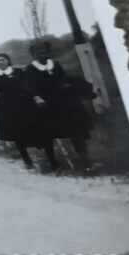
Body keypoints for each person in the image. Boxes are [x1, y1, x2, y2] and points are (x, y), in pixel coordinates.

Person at [22, 42, 94, 173]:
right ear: (33, 55)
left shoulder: (56, 65)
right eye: (38, 52)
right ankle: (53, 162)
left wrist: (67, 86)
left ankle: (84, 159)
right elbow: (29, 87)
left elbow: (63, 79)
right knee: (47, 132)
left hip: (62, 102)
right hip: (45, 103)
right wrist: (37, 97)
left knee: (76, 128)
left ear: (48, 52)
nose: (42, 54)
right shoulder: (30, 69)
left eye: (44, 51)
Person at [0, 53, 42, 170]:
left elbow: (28, 86)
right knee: (16, 133)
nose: (0, 62)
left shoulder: (19, 72)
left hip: (25, 103)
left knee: (33, 126)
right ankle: (27, 160)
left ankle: (41, 152)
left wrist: (35, 97)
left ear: (8, 61)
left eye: (2, 60)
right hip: (6, 107)